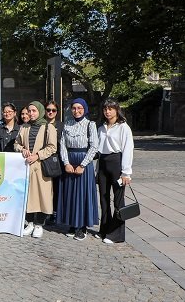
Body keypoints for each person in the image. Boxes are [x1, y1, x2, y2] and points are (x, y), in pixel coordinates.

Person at [57, 98, 99, 241]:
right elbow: (62, 145)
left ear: (85, 108)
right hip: (70, 160)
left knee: (82, 194)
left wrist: (83, 165)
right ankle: (72, 224)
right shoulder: (67, 124)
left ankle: (82, 227)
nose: (77, 110)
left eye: (80, 108)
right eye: (74, 108)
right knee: (70, 193)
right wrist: (66, 163)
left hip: (83, 161)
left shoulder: (90, 125)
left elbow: (94, 146)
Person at [15, 101, 57, 238]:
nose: (31, 113)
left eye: (34, 111)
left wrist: (38, 155)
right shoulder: (24, 127)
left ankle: (39, 224)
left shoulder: (48, 127)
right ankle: (30, 223)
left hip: (40, 166)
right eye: (29, 111)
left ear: (40, 112)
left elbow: (52, 147)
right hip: (27, 166)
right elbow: (17, 143)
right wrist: (23, 150)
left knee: (42, 196)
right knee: (29, 196)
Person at [97, 98, 134, 244]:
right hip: (103, 164)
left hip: (116, 163)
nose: (107, 111)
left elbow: (128, 149)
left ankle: (116, 234)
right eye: (105, 109)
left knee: (118, 200)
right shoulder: (101, 127)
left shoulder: (123, 127)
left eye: (110, 109)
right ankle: (104, 229)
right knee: (103, 199)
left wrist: (126, 172)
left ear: (116, 110)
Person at [45, 100, 64, 223]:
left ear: (57, 112)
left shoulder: (62, 126)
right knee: (46, 187)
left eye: (53, 110)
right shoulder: (42, 125)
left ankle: (56, 212)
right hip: (44, 159)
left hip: (57, 161)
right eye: (48, 110)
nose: (51, 112)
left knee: (57, 187)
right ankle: (46, 212)